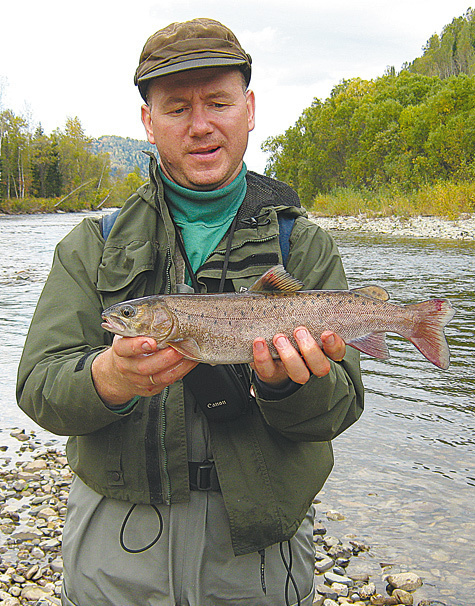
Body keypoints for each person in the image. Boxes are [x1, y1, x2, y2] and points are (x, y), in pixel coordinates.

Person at [17, 18, 364, 606]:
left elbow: (337, 412)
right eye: (176, 108)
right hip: (115, 545)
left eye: (219, 103)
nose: (201, 125)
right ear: (148, 123)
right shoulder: (91, 245)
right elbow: (37, 388)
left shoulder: (301, 245)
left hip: (256, 549)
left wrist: (287, 388)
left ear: (249, 109)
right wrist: (108, 379)